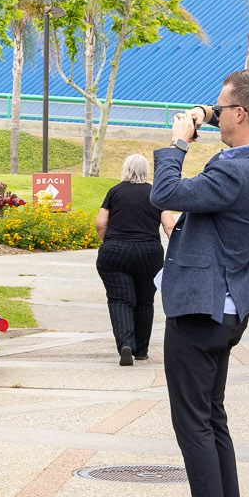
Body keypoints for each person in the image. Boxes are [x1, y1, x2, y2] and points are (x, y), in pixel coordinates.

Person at [149, 69, 249, 497]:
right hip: (228, 306)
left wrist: (178, 141)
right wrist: (208, 115)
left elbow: (164, 193)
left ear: (242, 113)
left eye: (221, 107)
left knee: (193, 423)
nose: (214, 114)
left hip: (201, 306)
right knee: (212, 418)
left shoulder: (232, 174)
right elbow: (244, 128)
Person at [93, 153, 165, 367]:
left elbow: (100, 223)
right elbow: (169, 224)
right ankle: (141, 350)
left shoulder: (115, 191)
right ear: (146, 171)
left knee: (120, 300)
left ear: (125, 169)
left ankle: (125, 344)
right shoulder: (156, 192)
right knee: (145, 301)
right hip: (149, 253)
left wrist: (108, 242)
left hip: (116, 251)